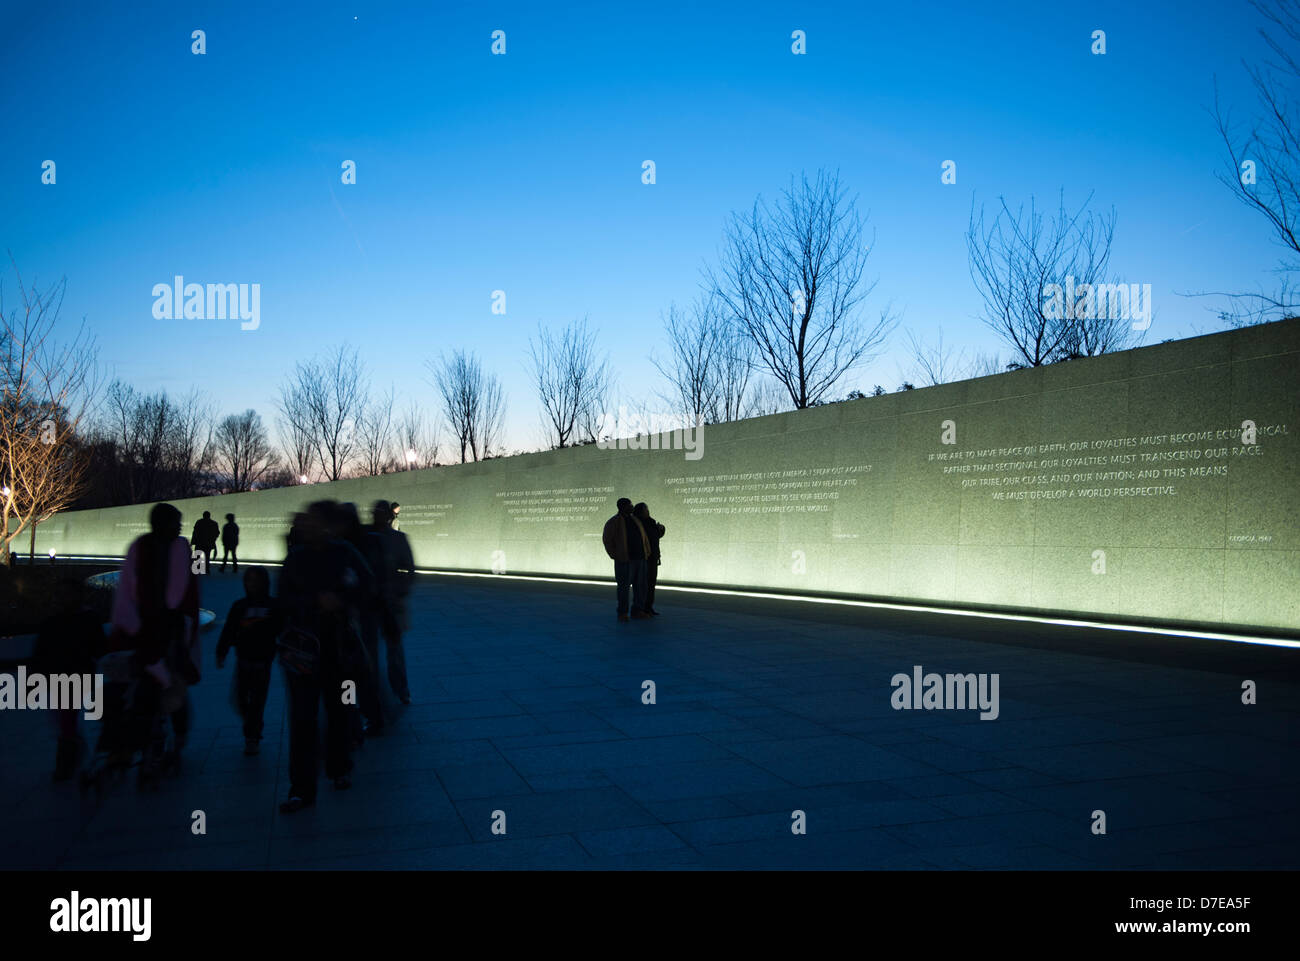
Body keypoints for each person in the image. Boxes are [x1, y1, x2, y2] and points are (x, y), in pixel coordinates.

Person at [277, 500, 374, 813]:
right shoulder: (295, 557)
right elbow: (282, 600)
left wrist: (341, 601)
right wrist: (314, 602)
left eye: (314, 521)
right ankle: (302, 788)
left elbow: (367, 586)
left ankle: (339, 768)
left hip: (338, 648)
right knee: (303, 719)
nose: (308, 526)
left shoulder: (344, 553)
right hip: (303, 652)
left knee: (340, 711)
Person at [110, 502, 201, 787]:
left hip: (169, 634)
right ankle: (154, 747)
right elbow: (129, 592)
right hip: (149, 635)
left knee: (169, 689)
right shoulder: (143, 549)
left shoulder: (178, 549)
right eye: (176, 522)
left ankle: (165, 743)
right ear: (160, 523)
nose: (180, 527)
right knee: (152, 695)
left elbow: (188, 593)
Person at [32, 579, 107, 780]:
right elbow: (101, 649)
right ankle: (72, 755)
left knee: (65, 720)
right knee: (65, 720)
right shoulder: (85, 619)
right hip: (71, 675)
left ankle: (67, 761)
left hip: (71, 676)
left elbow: (41, 653)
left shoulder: (55, 621)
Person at [215, 567, 282, 755]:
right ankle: (253, 726)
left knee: (256, 701)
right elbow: (228, 630)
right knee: (242, 699)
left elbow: (281, 629)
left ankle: (252, 735)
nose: (251, 585)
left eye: (255, 581)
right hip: (244, 661)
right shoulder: (240, 606)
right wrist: (222, 651)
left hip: (262, 662)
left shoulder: (272, 606)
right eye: (249, 581)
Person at [370, 500, 415, 704]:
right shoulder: (366, 539)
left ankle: (401, 690)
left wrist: (399, 593)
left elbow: (409, 570)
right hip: (369, 603)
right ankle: (367, 696)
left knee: (394, 650)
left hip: (390, 602)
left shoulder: (398, 539)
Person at [601, 497, 651, 622]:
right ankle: (622, 612)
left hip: (640, 559)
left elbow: (643, 537)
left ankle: (637, 611)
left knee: (641, 586)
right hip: (625, 561)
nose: (632, 507)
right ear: (623, 507)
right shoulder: (614, 522)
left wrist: (647, 552)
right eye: (630, 505)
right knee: (623, 588)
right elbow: (607, 540)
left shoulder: (635, 520)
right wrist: (616, 555)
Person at [633, 503, 666, 616]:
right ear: (641, 511)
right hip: (644, 558)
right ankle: (640, 608)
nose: (648, 511)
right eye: (646, 509)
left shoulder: (650, 522)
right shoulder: (638, 523)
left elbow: (654, 537)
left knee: (651, 584)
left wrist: (661, 530)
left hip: (653, 558)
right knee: (643, 584)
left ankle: (648, 607)